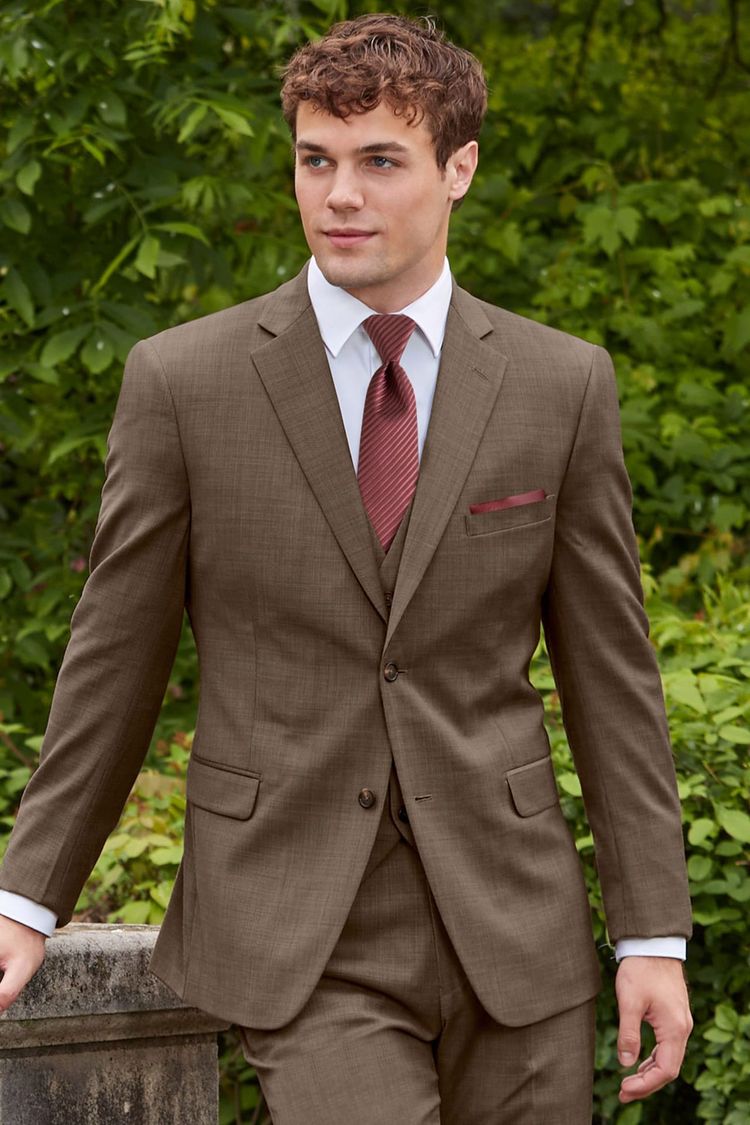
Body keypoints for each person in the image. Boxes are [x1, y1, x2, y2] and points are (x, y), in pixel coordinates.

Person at [0, 13, 692, 1123]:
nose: (340, 195)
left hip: (515, 926)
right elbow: (111, 662)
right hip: (296, 922)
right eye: (316, 160)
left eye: (380, 161)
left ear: (458, 168)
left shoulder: (562, 387)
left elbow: (614, 678)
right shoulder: (185, 384)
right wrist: (25, 898)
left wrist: (652, 934)